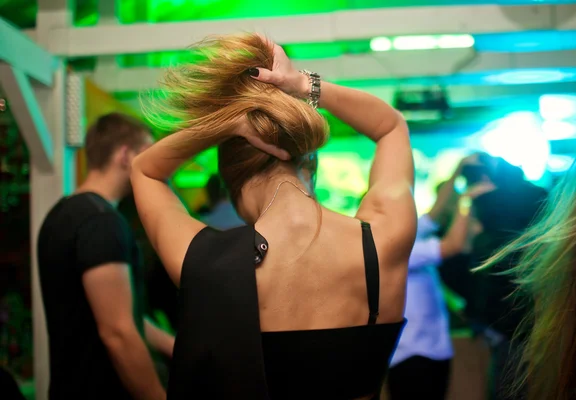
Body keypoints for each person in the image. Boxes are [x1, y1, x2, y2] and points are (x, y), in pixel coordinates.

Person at [131, 33, 416, 399]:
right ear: (309, 161)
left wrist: (229, 123)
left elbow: (145, 170)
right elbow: (391, 126)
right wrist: (301, 85)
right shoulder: (384, 240)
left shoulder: (202, 260)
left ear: (231, 181)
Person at [37, 113, 174, 400]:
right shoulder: (102, 222)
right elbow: (118, 332)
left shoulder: (60, 214)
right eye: (145, 154)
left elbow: (124, 313)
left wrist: (175, 346)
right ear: (125, 155)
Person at [388, 159, 495, 400]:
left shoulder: (407, 238)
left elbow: (436, 211)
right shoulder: (394, 249)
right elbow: (454, 245)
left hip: (432, 348)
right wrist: (466, 199)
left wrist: (459, 169)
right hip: (412, 354)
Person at [468, 153, 548, 400]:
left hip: (496, 293)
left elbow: (468, 242)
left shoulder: (486, 199)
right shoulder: (540, 195)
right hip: (534, 284)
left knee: (503, 368)